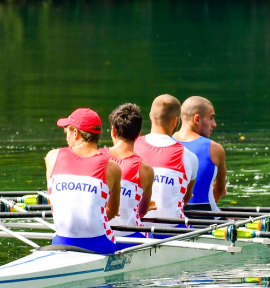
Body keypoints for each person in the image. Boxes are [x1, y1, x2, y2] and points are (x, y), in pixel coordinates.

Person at [44, 108, 122, 255]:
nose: (66, 138)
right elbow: (112, 211)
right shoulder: (113, 168)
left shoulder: (52, 157)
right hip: (100, 246)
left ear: (76, 133)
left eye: (66, 132)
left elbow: (55, 199)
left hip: (61, 244)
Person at [135, 94, 197, 223]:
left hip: (136, 227)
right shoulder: (189, 156)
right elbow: (185, 199)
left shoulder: (132, 147)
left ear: (151, 116)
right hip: (172, 230)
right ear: (175, 121)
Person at [105, 103, 155, 244]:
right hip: (130, 238)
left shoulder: (97, 158)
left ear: (113, 131)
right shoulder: (146, 170)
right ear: (138, 135)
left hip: (99, 233)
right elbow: (142, 212)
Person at [174, 96, 227, 212]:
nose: (214, 124)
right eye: (211, 118)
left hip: (171, 217)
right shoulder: (215, 149)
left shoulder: (165, 143)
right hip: (205, 217)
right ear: (197, 119)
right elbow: (219, 190)